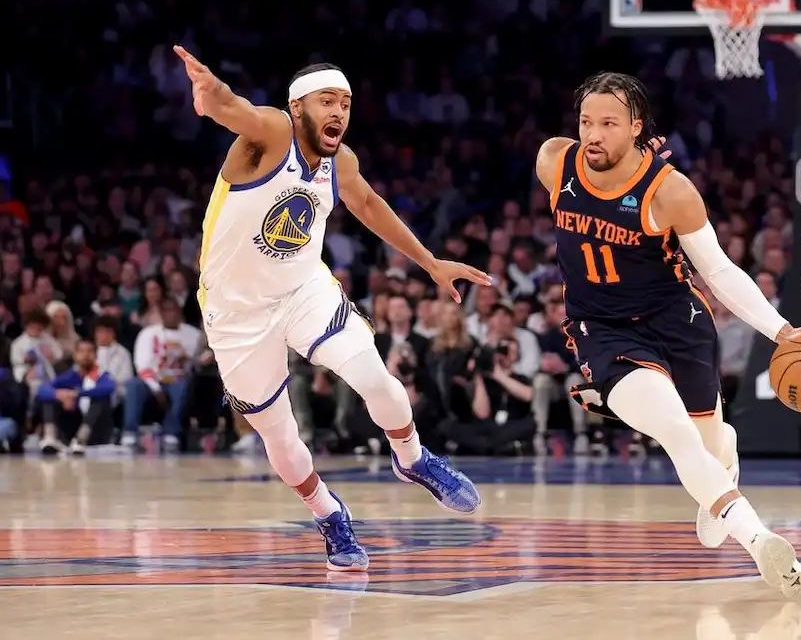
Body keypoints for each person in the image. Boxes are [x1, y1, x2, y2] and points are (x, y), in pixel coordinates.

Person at [174, 46, 489, 571]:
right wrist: (213, 97)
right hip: (237, 312)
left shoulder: (340, 161)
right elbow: (238, 110)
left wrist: (431, 262)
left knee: (376, 377)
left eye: (345, 102)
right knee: (280, 436)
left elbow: (367, 204)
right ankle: (328, 514)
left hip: (303, 289)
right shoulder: (272, 133)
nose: (339, 112)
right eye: (327, 101)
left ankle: (413, 460)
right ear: (299, 107)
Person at [535, 72, 801, 597]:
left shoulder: (670, 191)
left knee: (708, 443)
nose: (593, 134)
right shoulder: (555, 161)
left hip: (678, 323)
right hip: (604, 330)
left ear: (636, 128)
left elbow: (722, 271)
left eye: (609, 124)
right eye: (586, 122)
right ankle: (759, 540)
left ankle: (723, 460)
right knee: (676, 435)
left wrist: (782, 331)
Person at [123, 298, 203, 452]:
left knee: (182, 386)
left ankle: (171, 432)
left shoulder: (193, 335)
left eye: (173, 310)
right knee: (133, 385)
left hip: (179, 379)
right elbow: (142, 366)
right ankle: (130, 432)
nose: (170, 314)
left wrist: (191, 359)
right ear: (161, 313)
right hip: (152, 381)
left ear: (179, 312)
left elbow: (200, 360)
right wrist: (156, 389)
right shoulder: (148, 334)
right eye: (166, 310)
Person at [35, 338, 117, 455]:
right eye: (81, 351)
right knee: (50, 397)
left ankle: (81, 439)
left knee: (99, 399)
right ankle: (50, 437)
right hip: (73, 425)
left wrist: (76, 394)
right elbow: (42, 390)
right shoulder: (70, 376)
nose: (85, 355)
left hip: (96, 429)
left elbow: (108, 388)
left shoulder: (102, 375)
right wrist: (60, 395)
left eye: (89, 351)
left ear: (95, 355)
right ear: (75, 355)